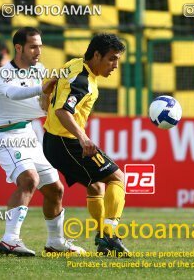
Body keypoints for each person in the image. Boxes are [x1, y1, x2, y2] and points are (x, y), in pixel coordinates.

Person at [0, 27, 85, 257]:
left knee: (55, 190)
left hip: (30, 135)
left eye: (40, 46)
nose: (38, 51)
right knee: (28, 179)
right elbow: (14, 94)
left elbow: (40, 104)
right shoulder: (3, 74)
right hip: (7, 136)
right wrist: (42, 88)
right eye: (33, 46)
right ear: (19, 48)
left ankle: (56, 242)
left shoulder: (39, 70)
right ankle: (9, 240)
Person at [43, 33, 130, 255]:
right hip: (67, 142)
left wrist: (47, 92)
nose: (115, 65)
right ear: (97, 55)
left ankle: (102, 236)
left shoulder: (73, 64)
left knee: (96, 185)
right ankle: (109, 234)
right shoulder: (83, 81)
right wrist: (83, 138)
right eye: (112, 59)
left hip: (53, 141)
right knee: (118, 177)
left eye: (118, 59)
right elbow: (63, 111)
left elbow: (53, 83)